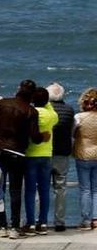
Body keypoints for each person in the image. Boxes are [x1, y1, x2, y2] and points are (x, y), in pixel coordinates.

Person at [0, 79, 39, 233]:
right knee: (15, 190)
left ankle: (1, 224)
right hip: (17, 153)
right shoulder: (31, 111)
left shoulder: (2, 103)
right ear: (32, 95)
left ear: (18, 89)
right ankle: (15, 226)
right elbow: (35, 137)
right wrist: (44, 136)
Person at [25, 82, 59, 236]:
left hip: (31, 154)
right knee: (45, 190)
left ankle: (31, 223)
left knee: (30, 190)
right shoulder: (51, 115)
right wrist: (48, 104)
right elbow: (53, 113)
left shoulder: (31, 113)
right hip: (46, 155)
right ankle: (43, 222)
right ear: (47, 101)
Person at [48, 84, 76, 232]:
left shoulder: (45, 111)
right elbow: (72, 131)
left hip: (46, 153)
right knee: (61, 188)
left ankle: (39, 221)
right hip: (62, 154)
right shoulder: (70, 110)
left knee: (41, 188)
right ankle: (60, 222)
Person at [75, 88, 97, 231]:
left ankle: (86, 219)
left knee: (85, 189)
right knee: (96, 189)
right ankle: (96, 219)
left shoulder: (78, 117)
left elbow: (72, 133)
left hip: (82, 154)